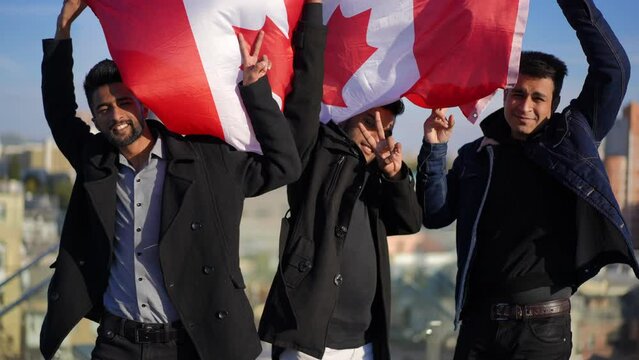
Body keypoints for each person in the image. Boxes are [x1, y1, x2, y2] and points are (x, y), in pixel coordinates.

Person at [39, 0, 320, 358]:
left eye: (123, 102)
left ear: (142, 103)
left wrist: (254, 90)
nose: (116, 115)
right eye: (103, 109)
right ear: (94, 118)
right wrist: (63, 28)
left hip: (193, 344)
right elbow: (59, 111)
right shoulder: (95, 162)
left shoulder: (205, 160)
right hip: (117, 342)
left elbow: (285, 165)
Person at [416, 0, 639, 359]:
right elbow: (435, 214)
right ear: (504, 94)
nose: (525, 106)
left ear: (553, 104)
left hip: (542, 332)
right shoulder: (477, 154)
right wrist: (436, 149)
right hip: (478, 326)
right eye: (517, 94)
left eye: (538, 97)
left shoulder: (570, 143)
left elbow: (613, 68)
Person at [257, 3, 422, 359]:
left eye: (387, 129)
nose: (377, 135)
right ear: (348, 112)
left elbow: (409, 222)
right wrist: (313, 13)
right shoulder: (314, 153)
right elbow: (305, 91)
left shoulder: (380, 173)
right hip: (311, 341)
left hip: (365, 342)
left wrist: (394, 177)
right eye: (369, 122)